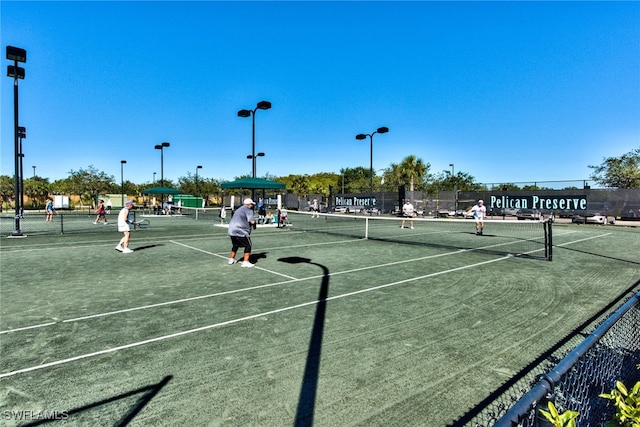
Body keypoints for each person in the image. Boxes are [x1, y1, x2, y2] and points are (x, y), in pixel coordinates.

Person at [227, 198, 257, 267]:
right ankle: (245, 262)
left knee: (235, 245)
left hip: (231, 230)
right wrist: (254, 225)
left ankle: (231, 259)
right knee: (248, 245)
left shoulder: (239, 209)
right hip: (241, 230)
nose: (252, 205)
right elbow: (251, 221)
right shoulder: (249, 210)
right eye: (252, 204)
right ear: (249, 204)